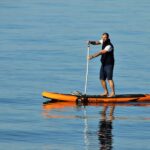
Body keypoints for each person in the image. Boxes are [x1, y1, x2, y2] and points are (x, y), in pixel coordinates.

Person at [88, 33, 115, 97]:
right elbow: (97, 42)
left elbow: (101, 52)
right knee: (102, 79)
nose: (103, 38)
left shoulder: (109, 46)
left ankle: (113, 93)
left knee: (109, 79)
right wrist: (90, 42)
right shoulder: (103, 41)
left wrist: (92, 56)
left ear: (108, 38)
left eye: (105, 37)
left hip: (109, 64)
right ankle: (106, 92)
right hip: (103, 63)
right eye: (103, 37)